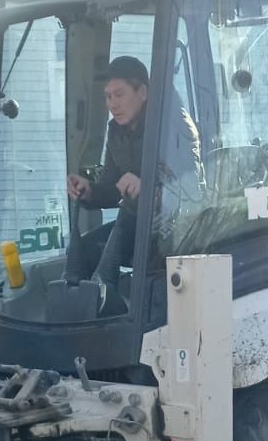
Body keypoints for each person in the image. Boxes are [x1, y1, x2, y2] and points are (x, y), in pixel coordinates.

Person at [66, 56, 201, 290]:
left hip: (177, 227)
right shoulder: (117, 131)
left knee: (149, 267)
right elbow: (111, 187)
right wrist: (89, 190)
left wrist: (146, 189)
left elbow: (190, 192)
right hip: (137, 223)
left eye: (119, 95)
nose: (112, 104)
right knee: (84, 252)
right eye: (107, 97)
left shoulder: (175, 126)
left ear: (143, 93)